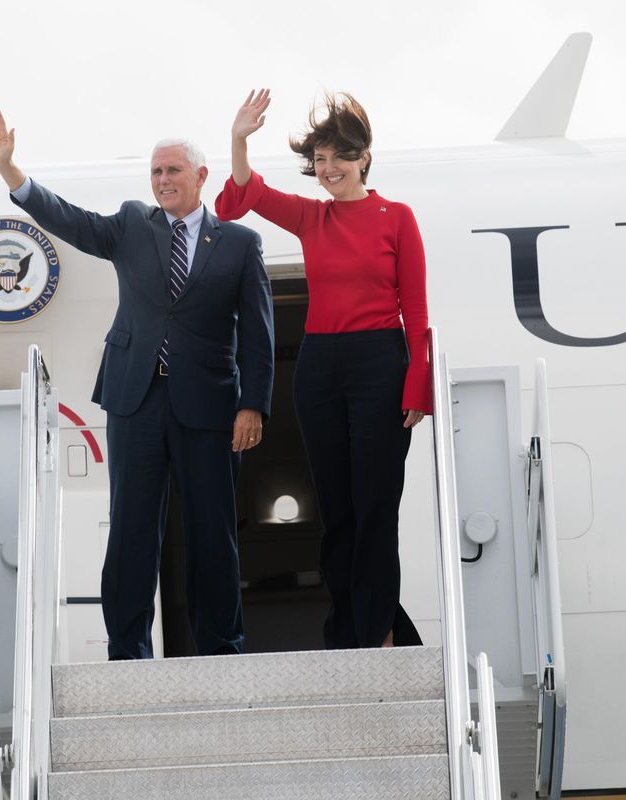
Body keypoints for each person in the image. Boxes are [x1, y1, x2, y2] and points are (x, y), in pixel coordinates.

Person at [0, 108, 274, 660]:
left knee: (213, 533)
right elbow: (71, 220)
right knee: (133, 529)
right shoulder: (132, 223)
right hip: (135, 400)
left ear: (201, 176)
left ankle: (221, 650)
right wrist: (11, 171)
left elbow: (259, 334)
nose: (162, 181)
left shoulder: (239, 243)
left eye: (173, 171)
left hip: (209, 407)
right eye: (156, 172)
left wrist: (252, 405)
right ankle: (128, 651)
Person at [217, 89, 432, 649]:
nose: (328, 168)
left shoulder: (397, 217)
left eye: (338, 157)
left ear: (363, 156)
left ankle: (380, 629)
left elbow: (417, 308)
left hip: (381, 364)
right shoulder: (313, 218)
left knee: (376, 504)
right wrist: (239, 140)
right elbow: (243, 197)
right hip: (319, 368)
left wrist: (418, 384)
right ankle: (348, 630)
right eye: (318, 161)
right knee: (336, 510)